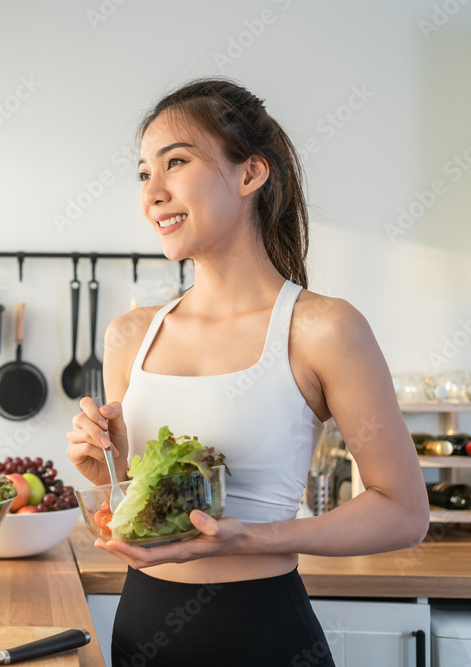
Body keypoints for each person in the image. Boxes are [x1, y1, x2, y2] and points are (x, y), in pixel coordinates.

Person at [66, 78, 429, 666]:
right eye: (142, 174)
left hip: (263, 634)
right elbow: (143, 507)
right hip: (141, 631)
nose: (152, 193)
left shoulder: (323, 329)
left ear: (249, 174)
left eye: (175, 163)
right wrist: (104, 467)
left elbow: (404, 511)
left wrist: (252, 537)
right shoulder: (131, 335)